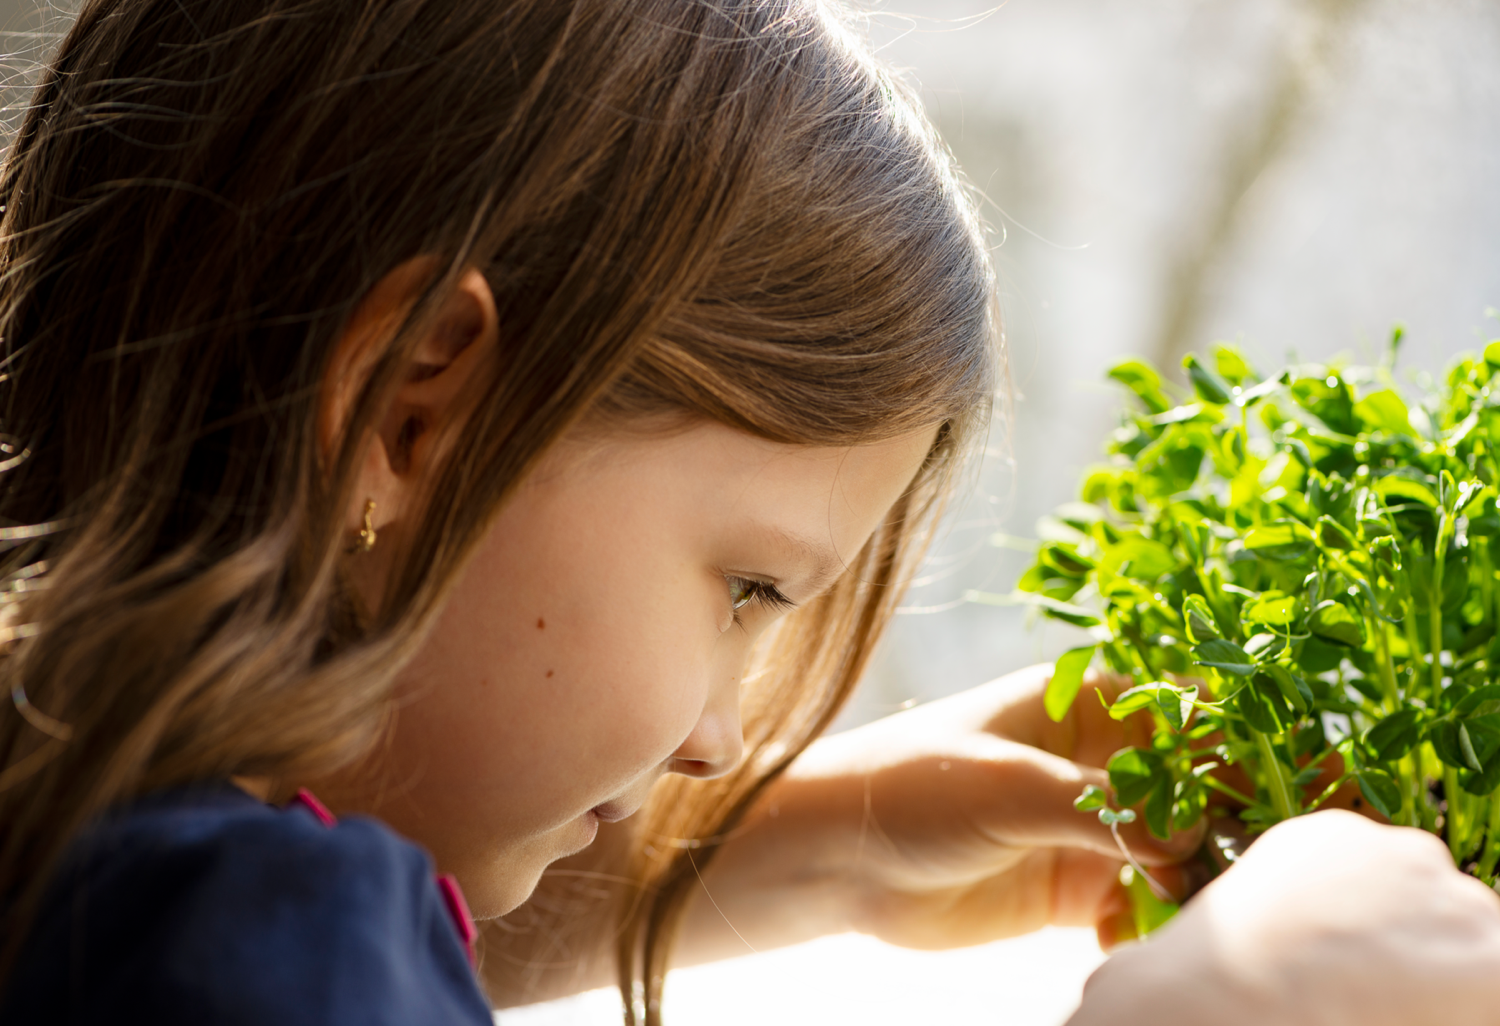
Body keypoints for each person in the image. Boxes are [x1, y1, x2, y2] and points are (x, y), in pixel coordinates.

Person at [0, 1, 1496, 1024]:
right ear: (412, 407)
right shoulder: (244, 939)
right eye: (749, 589)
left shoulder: (90, 851)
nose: (722, 733)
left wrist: (830, 843)